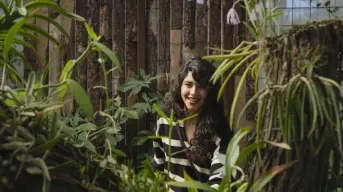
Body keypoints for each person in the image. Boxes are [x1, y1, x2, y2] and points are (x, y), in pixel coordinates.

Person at [153, 58, 234, 192]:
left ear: (210, 91)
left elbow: (218, 182)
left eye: (201, 87)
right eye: (188, 84)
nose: (193, 92)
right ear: (180, 86)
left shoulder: (221, 130)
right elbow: (158, 167)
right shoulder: (165, 118)